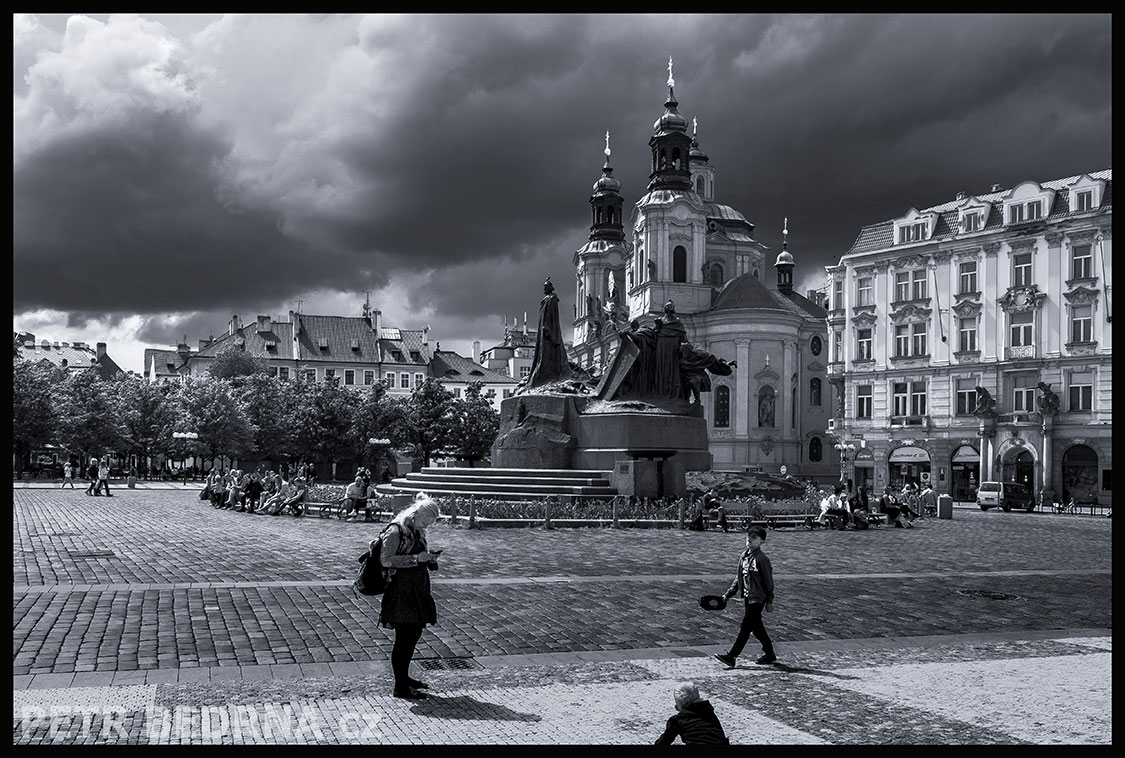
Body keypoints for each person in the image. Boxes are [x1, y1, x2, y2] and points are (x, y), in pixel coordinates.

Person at [378, 493, 443, 699]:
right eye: (425, 521)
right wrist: (416, 558)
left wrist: (429, 559)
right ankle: (400, 686)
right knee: (404, 638)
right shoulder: (396, 530)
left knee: (413, 635)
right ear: (415, 514)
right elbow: (386, 560)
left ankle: (404, 678)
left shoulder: (417, 531)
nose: (427, 526)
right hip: (401, 591)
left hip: (416, 590)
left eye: (430, 523)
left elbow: (419, 557)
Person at [714, 525, 776, 667]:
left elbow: (768, 582)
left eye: (754, 537)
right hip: (748, 597)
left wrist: (770, 600)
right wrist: (728, 595)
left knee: (745, 627)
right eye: (748, 536)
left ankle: (732, 656)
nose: (749, 539)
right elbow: (739, 578)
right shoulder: (744, 556)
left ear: (761, 542)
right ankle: (770, 653)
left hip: (758, 599)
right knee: (757, 627)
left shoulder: (762, 559)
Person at [654, 682, 730, 745]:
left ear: (679, 704)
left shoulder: (678, 720)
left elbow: (664, 742)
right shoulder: (709, 712)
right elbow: (720, 736)